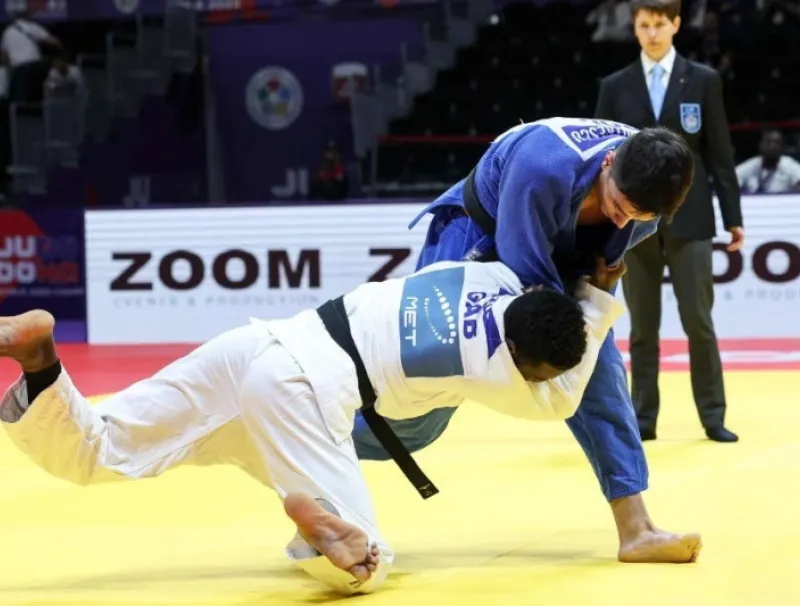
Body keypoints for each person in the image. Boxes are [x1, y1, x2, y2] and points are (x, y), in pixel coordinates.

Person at [0, 257, 631, 595]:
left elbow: (542, 318)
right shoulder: (488, 365)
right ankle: (325, 525)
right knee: (370, 564)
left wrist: (574, 292)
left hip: (261, 344)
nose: (536, 378)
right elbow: (561, 400)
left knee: (102, 448)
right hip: (302, 392)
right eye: (535, 369)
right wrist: (601, 302)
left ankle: (39, 357)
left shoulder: (484, 273)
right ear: (518, 355)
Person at [351, 116, 702, 563]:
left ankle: (637, 529)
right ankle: (319, 441)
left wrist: (596, 304)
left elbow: (596, 267)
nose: (625, 218)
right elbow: (531, 287)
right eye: (620, 204)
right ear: (608, 162)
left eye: (641, 215)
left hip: (562, 253)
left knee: (598, 370)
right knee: (425, 403)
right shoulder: (543, 167)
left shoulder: (648, 191)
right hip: (479, 234)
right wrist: (582, 318)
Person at [594, 0, 743, 443]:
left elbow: (720, 153)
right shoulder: (615, 86)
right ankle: (643, 418)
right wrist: (598, 222)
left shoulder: (703, 80)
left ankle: (713, 416)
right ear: (634, 28)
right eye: (644, 25)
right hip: (631, 222)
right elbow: (600, 160)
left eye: (660, 24)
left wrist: (733, 217)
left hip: (691, 217)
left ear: (676, 25)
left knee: (699, 321)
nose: (653, 33)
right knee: (643, 327)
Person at [736, 130, 800, 194]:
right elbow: (734, 180)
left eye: (777, 143)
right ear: (760, 145)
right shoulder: (750, 165)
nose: (772, 146)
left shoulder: (789, 165)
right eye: (768, 142)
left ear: (783, 148)